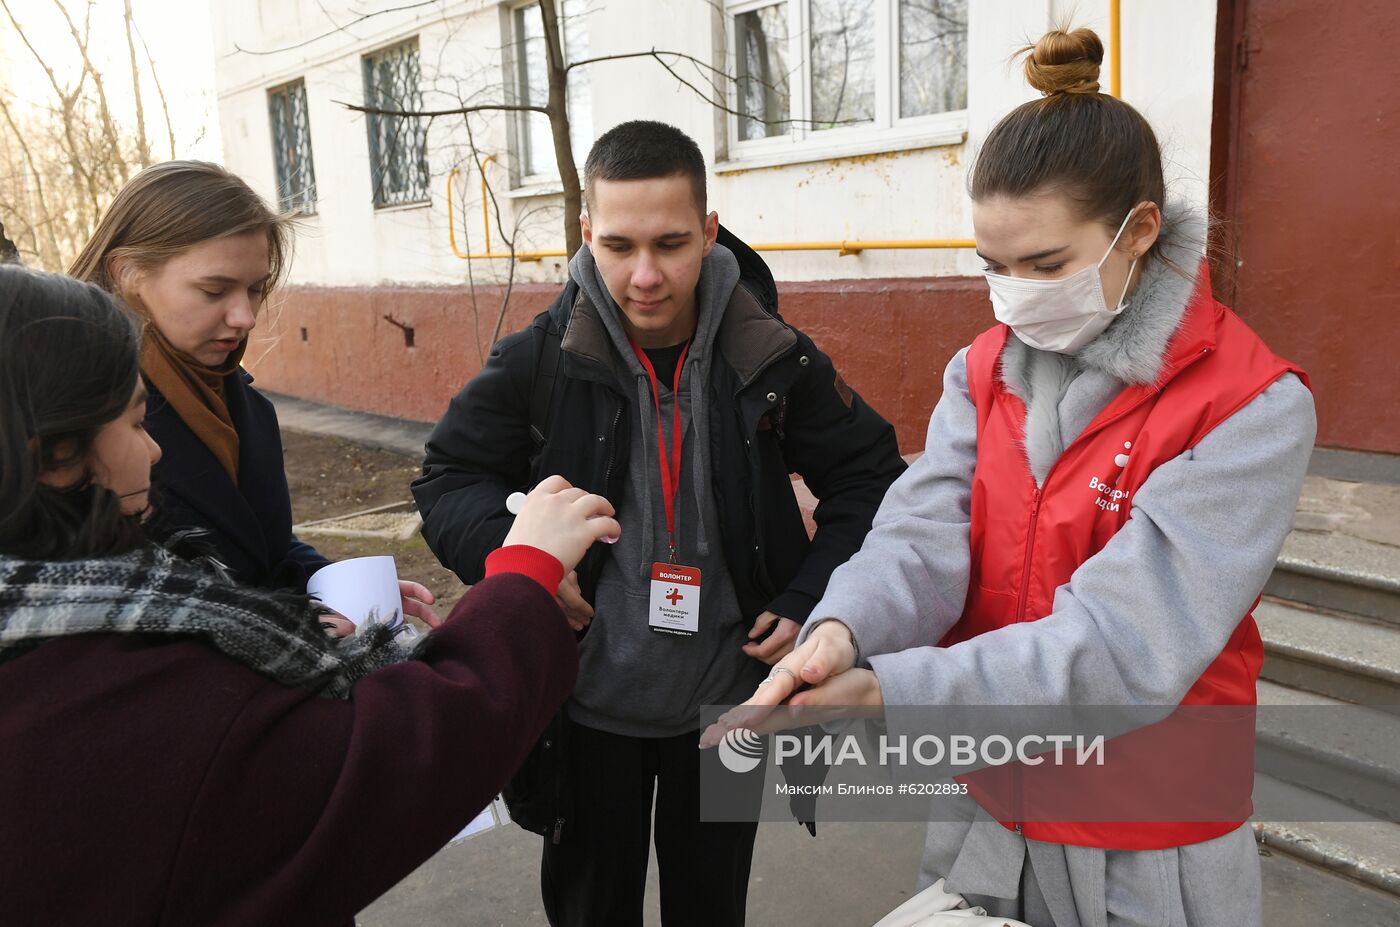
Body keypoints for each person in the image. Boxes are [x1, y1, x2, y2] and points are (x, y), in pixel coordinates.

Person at [717, 27, 1316, 927]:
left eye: (1045, 266)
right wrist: (844, 628)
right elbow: (923, 534)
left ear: (1140, 231)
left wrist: (895, 691)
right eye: (994, 268)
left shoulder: (1250, 407)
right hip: (991, 795)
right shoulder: (986, 367)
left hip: (1144, 829)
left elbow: (1121, 645)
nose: (1016, 296)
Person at [0, 264, 620, 925]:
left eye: (257, 287)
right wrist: (518, 565)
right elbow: (390, 764)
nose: (153, 450)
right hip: (602, 709)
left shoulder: (746, 349)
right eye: (133, 422)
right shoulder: (128, 690)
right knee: (600, 879)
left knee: (719, 842)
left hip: (732, 691)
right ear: (56, 453)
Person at [412, 120, 907, 926]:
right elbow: (446, 479)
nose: (645, 275)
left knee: (710, 910)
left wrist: (813, 591)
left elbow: (870, 477)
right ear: (585, 234)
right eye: (618, 245)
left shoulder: (773, 356)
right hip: (581, 705)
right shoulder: (541, 357)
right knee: (590, 910)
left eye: (672, 243)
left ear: (710, 230)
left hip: (726, 706)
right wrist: (522, 558)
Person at [68, 161, 434, 625]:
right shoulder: (86, 424)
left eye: (256, 289)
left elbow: (263, 547)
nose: (246, 317)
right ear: (128, 273)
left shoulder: (238, 398)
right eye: (214, 290)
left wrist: (331, 585)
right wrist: (300, 621)